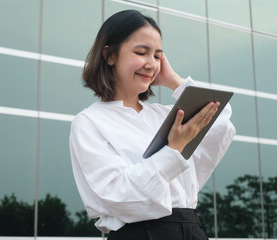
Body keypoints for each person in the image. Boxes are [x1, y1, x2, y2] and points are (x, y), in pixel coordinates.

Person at [69, 10, 235, 240]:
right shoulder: (89, 121)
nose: (151, 64)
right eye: (141, 52)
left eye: (158, 56)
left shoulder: (165, 114)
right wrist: (173, 150)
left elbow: (220, 123)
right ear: (110, 55)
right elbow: (119, 194)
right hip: (139, 233)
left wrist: (172, 80)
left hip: (191, 229)